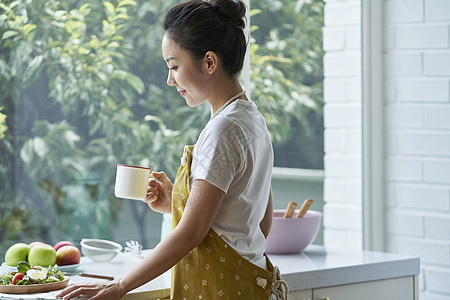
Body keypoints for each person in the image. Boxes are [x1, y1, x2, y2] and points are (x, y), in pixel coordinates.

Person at [57, 0, 287, 299]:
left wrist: (119, 286)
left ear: (209, 62)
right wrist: (177, 204)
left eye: (174, 66)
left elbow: (192, 234)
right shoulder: (252, 119)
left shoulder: (221, 131)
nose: (170, 79)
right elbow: (257, 224)